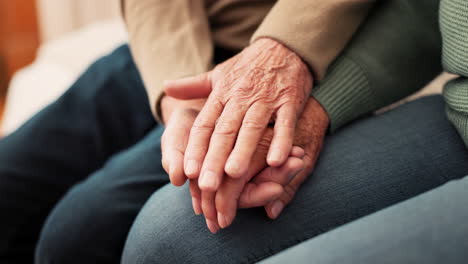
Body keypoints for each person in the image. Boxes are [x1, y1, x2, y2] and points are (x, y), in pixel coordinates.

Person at [122, 0, 468, 263]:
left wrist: (291, 54)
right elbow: (427, 11)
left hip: (290, 38)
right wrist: (183, 104)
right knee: (165, 235)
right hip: (195, 59)